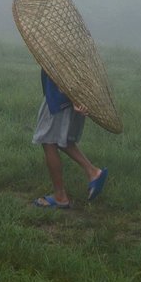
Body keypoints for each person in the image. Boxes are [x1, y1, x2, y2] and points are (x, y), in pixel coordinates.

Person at [32, 69, 108, 209]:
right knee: (62, 140)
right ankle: (93, 172)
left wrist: (73, 97)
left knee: (48, 141)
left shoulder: (55, 49)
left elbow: (61, 70)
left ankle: (60, 197)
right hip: (70, 97)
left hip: (60, 99)